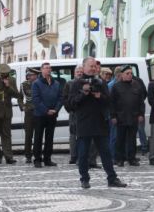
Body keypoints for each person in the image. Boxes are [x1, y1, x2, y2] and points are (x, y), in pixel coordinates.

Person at [69, 57, 126, 189]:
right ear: (83, 67)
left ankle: (112, 178)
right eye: (90, 66)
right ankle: (84, 179)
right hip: (83, 123)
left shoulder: (100, 82)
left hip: (100, 123)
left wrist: (99, 96)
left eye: (95, 66)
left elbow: (109, 101)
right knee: (83, 154)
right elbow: (71, 104)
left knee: (105, 153)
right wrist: (83, 93)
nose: (93, 68)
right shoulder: (76, 83)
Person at [111, 65, 146, 167]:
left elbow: (141, 102)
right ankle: (119, 159)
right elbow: (112, 103)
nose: (130, 75)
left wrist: (141, 114)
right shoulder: (116, 87)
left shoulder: (137, 86)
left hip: (133, 116)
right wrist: (113, 116)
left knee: (132, 140)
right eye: (127, 73)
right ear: (122, 75)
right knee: (120, 139)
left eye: (131, 73)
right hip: (120, 117)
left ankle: (132, 158)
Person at [31, 62, 62, 168]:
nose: (48, 69)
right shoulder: (36, 83)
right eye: (46, 68)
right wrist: (46, 110)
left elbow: (60, 98)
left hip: (52, 115)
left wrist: (56, 109)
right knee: (38, 137)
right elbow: (36, 100)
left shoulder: (56, 83)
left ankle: (47, 159)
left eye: (50, 68)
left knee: (50, 138)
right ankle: (37, 159)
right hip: (40, 115)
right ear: (42, 70)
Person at [62, 66, 84, 164]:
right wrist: (69, 109)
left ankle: (81, 155)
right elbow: (65, 98)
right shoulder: (69, 83)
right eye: (77, 72)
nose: (79, 73)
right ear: (74, 73)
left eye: (81, 72)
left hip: (83, 113)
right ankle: (73, 156)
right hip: (73, 113)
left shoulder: (86, 83)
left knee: (82, 135)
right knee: (73, 135)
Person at [20, 68, 39, 163]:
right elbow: (20, 97)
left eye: (33, 75)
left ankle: (37, 154)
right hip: (29, 112)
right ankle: (28, 155)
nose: (31, 77)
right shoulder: (24, 85)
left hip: (39, 111)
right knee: (28, 135)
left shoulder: (40, 84)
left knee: (38, 134)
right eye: (30, 75)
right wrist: (22, 106)